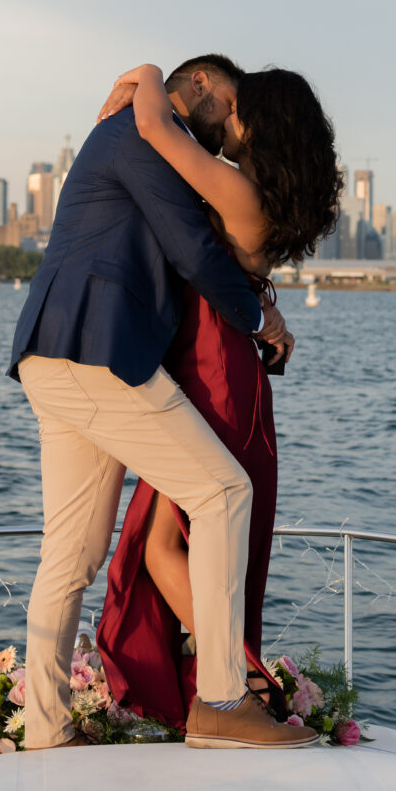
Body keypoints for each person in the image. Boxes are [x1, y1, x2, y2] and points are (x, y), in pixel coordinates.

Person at [7, 54, 317, 750]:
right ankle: (219, 701)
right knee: (222, 494)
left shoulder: (131, 132)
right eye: (230, 102)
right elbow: (194, 252)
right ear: (200, 86)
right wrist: (259, 320)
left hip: (57, 354)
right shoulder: (139, 135)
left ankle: (46, 729)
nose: (232, 122)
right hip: (96, 352)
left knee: (73, 552)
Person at [95, 62, 342, 730]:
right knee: (172, 539)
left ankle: (243, 689)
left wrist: (143, 72)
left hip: (211, 374)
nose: (229, 121)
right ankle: (232, 687)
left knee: (161, 545)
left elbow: (153, 124)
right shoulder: (260, 195)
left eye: (240, 111)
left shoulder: (236, 188)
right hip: (217, 370)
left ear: (263, 126)